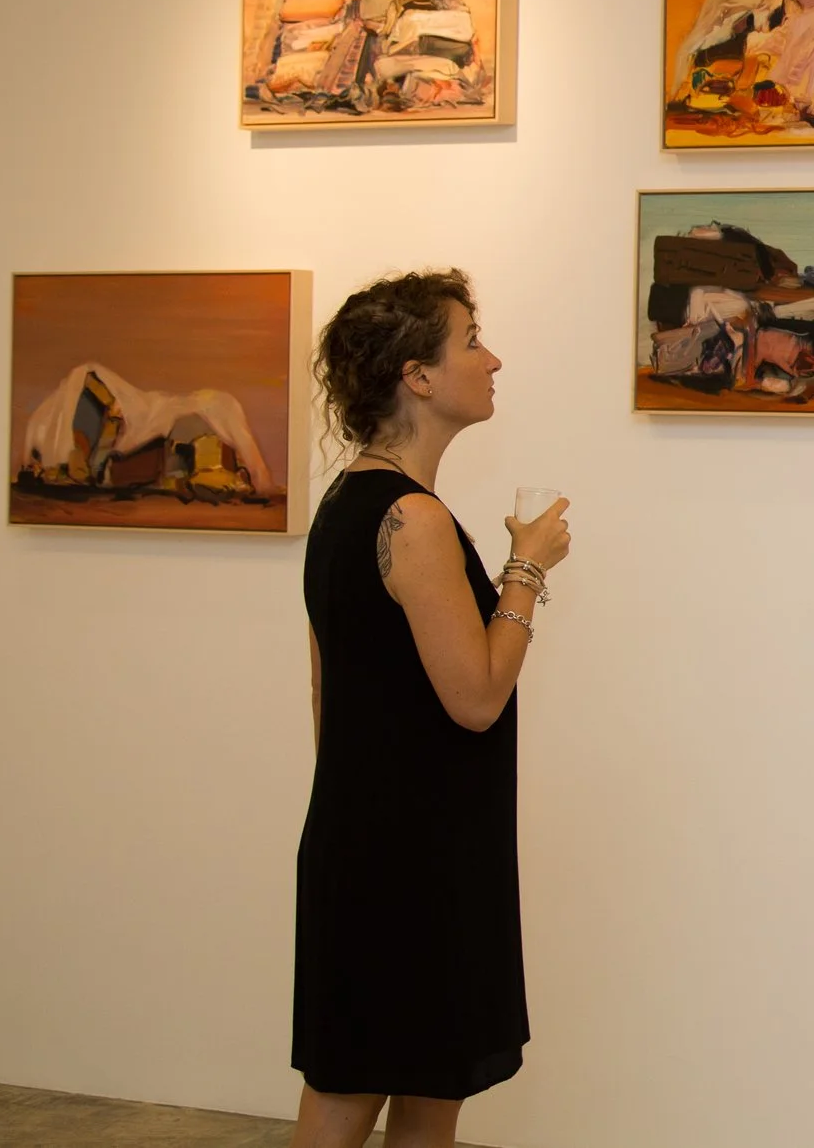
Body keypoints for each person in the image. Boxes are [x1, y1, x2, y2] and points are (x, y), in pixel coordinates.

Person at [290, 270, 572, 1148]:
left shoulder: (346, 503)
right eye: (470, 341)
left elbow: (325, 694)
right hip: (410, 857)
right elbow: (479, 695)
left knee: (420, 1092)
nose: (492, 360)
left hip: (393, 843)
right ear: (417, 374)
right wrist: (528, 567)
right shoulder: (411, 520)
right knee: (351, 1099)